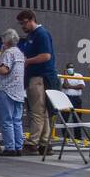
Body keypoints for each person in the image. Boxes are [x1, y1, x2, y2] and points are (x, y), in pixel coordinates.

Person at [18, 9, 58, 156]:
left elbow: (46, 56)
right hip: (39, 76)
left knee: (36, 112)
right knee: (43, 111)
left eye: (24, 23)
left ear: (31, 19)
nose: (22, 26)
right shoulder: (33, 35)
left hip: (39, 76)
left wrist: (27, 61)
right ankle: (44, 143)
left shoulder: (41, 34)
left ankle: (33, 143)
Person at [0, 28, 26, 156]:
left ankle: (9, 147)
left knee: (7, 120)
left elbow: (4, 70)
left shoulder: (8, 53)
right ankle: (19, 147)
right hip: (19, 91)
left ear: (5, 40)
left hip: (7, 89)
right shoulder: (19, 53)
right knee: (17, 120)